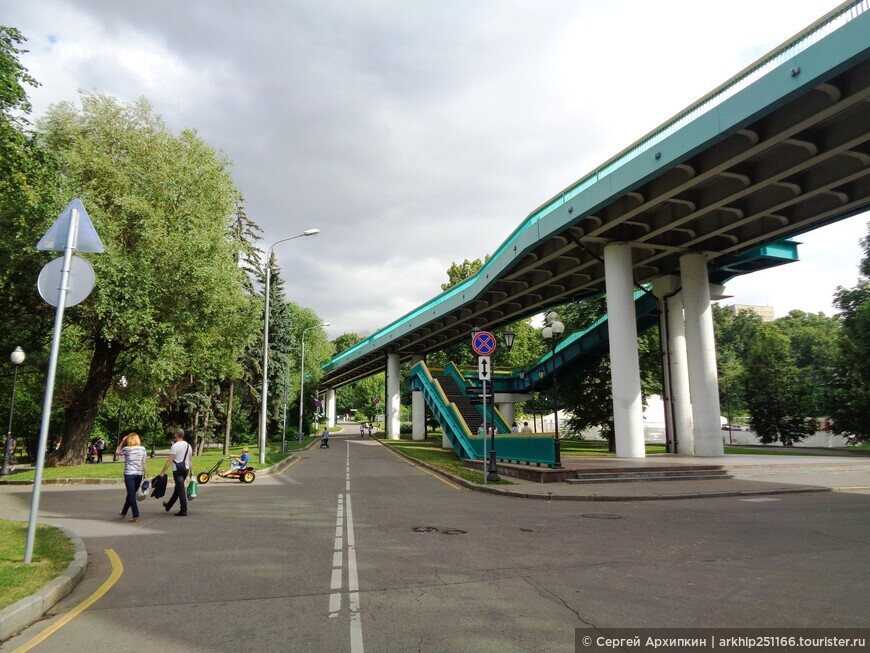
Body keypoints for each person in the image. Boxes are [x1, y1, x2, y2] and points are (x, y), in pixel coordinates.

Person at [160, 429, 193, 517]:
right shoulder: (188, 446)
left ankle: (183, 510)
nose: (174, 435)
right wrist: (191, 472)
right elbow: (190, 460)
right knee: (178, 489)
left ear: (176, 435)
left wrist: (163, 472)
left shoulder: (175, 446)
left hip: (177, 470)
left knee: (181, 490)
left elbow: (170, 459)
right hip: (185, 469)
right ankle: (168, 505)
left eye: (174, 434)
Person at [116, 433, 147, 523]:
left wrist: (122, 441)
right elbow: (144, 462)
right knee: (131, 494)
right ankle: (123, 512)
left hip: (129, 474)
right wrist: (145, 473)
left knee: (131, 494)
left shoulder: (126, 449)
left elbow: (117, 452)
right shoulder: (142, 449)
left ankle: (135, 515)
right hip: (139, 474)